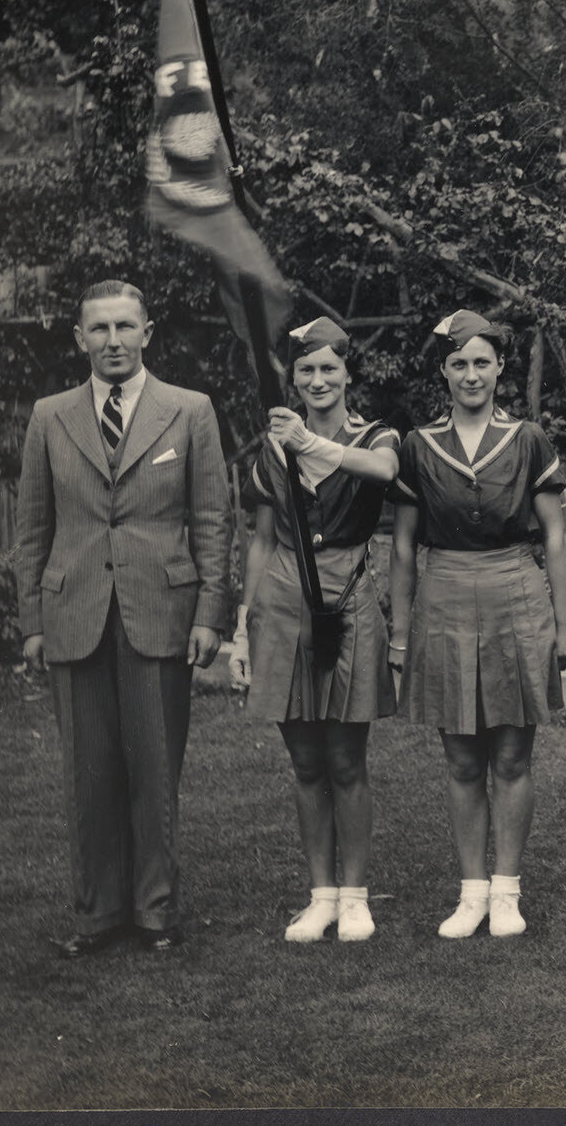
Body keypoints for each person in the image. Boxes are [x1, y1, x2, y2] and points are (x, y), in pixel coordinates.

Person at [13, 280, 228, 956]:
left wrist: (210, 614)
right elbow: (32, 527)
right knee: (91, 770)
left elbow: (214, 520)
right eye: (99, 329)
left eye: (124, 327)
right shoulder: (50, 416)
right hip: (73, 609)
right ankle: (98, 914)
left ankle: (156, 911)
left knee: (154, 767)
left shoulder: (189, 411)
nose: (112, 341)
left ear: (147, 332)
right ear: (80, 337)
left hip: (160, 608)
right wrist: (32, 622)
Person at [389, 309, 566, 939]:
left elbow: (555, 536)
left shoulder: (528, 440)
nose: (472, 374)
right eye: (459, 363)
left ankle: (507, 892)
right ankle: (471, 892)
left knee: (514, 756)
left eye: (482, 363)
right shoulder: (418, 445)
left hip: (514, 591)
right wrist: (400, 632)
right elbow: (403, 546)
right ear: (444, 371)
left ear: (500, 368)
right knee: (463, 759)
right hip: (443, 593)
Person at [235, 317, 400, 941]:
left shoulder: (375, 434)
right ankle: (322, 894)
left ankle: (356, 896)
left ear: (348, 374)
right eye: (306, 370)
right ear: (293, 378)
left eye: (330, 368)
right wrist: (243, 625)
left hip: (349, 594)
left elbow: (383, 471)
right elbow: (261, 539)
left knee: (346, 759)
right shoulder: (271, 447)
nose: (318, 379)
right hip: (282, 599)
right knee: (306, 761)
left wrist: (307, 441)